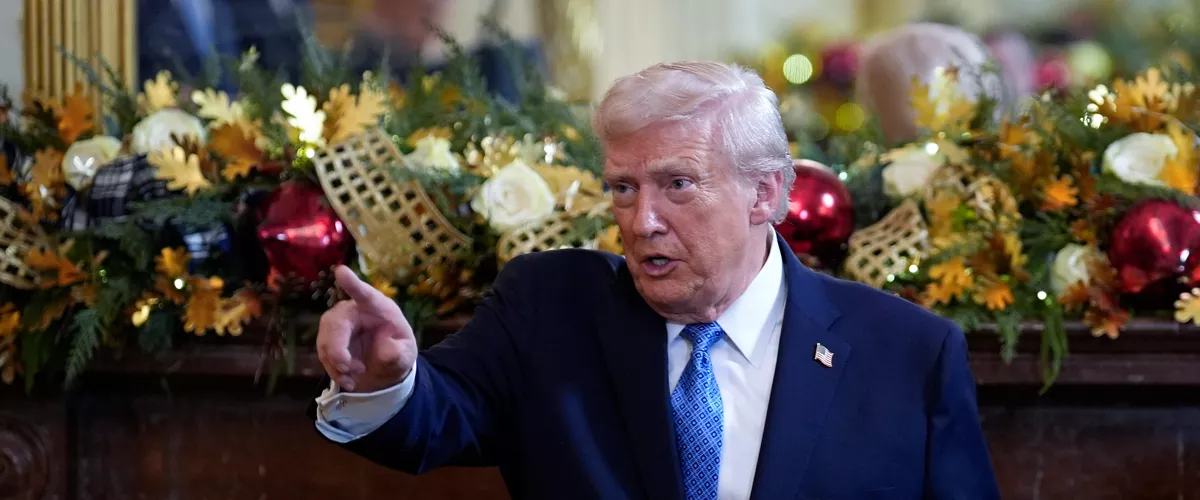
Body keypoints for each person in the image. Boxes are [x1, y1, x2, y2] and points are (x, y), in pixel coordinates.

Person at [309, 61, 1001, 499]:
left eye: (677, 185)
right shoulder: (550, 309)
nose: (642, 221)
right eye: (623, 188)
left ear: (764, 194)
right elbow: (432, 421)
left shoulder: (908, 354)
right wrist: (383, 380)